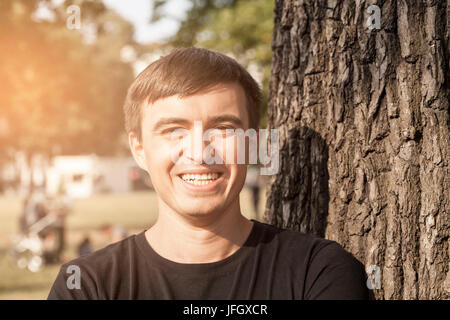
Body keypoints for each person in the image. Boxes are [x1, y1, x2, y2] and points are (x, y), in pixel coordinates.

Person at [47, 47, 370, 300]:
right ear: (139, 149)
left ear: (252, 143)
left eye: (223, 128)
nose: (200, 152)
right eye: (174, 130)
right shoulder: (86, 286)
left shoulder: (318, 272)